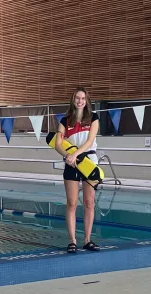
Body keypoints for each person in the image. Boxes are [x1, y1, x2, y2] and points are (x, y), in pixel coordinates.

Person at [55, 87, 100, 253]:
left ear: (87, 100)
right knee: (72, 203)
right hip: (71, 163)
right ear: (73, 100)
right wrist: (68, 155)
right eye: (77, 98)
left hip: (89, 163)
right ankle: (72, 240)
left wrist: (75, 155)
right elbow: (58, 144)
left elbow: (89, 141)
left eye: (83, 98)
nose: (80, 101)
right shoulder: (65, 121)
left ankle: (87, 240)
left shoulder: (93, 118)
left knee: (89, 202)